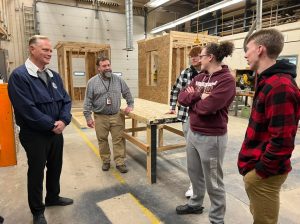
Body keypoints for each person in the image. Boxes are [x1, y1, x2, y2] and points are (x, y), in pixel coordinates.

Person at [8, 35, 73, 224]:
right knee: (36, 171)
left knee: (55, 166)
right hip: (34, 134)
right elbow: (26, 109)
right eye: (45, 50)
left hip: (56, 131)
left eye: (50, 50)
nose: (49, 53)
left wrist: (64, 120)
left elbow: (66, 100)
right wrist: (52, 125)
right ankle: (37, 210)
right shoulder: (20, 76)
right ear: (32, 49)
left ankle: (53, 197)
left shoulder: (54, 75)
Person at [238, 29, 300, 224]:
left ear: (260, 49)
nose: (245, 54)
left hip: (266, 173)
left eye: (247, 49)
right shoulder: (266, 79)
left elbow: (282, 141)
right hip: (258, 169)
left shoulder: (279, 85)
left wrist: (260, 172)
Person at [176, 41, 236, 224]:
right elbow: (181, 97)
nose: (199, 59)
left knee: (213, 181)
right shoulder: (200, 76)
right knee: (194, 173)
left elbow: (208, 108)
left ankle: (217, 219)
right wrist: (197, 96)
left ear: (210, 57)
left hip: (212, 138)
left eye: (201, 56)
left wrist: (194, 102)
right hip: (193, 133)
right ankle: (195, 203)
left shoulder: (226, 80)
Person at [83, 56, 134, 173]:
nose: (107, 68)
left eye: (109, 65)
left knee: (118, 139)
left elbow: (127, 92)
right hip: (100, 116)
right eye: (104, 66)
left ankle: (120, 162)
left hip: (116, 115)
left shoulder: (118, 79)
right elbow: (88, 101)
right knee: (102, 140)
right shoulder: (92, 82)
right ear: (99, 68)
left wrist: (130, 105)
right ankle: (106, 161)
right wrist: (88, 117)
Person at [168, 46, 202, 198]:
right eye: (191, 56)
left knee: (204, 152)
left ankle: (200, 183)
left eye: (197, 56)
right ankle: (193, 185)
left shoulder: (210, 73)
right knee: (191, 151)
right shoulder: (186, 73)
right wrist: (172, 106)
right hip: (187, 116)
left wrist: (192, 95)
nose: (194, 59)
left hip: (204, 117)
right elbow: (176, 90)